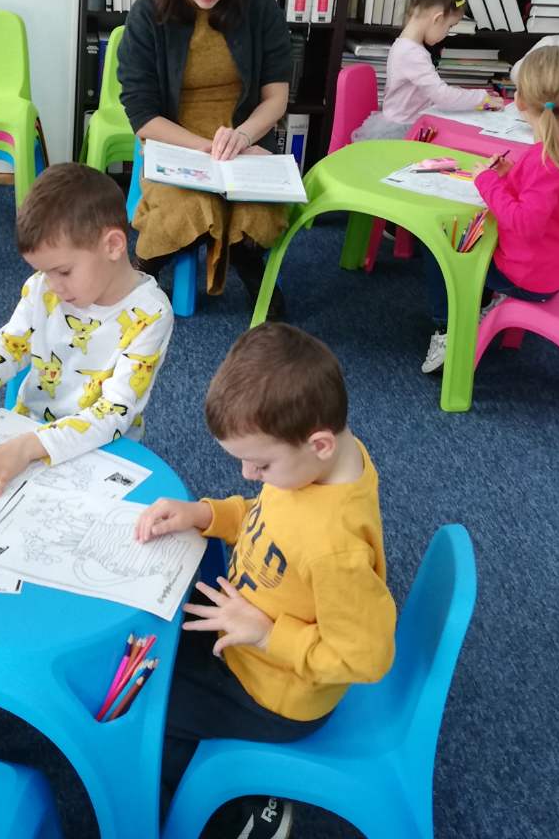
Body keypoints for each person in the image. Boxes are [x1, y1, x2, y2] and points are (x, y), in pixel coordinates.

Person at [134, 324, 395, 839]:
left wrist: (268, 634)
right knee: (147, 650)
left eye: (260, 463)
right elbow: (267, 517)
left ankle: (247, 816)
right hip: (246, 640)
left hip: (276, 694)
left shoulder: (334, 547)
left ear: (319, 444)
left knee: (148, 713)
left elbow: (366, 658)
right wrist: (206, 514)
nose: (249, 474)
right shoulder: (316, 466)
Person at [0, 163, 173, 496]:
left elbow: (113, 413)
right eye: (44, 272)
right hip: (25, 435)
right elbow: (11, 344)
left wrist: (26, 447)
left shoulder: (150, 313)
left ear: (112, 245)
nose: (52, 285)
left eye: (63, 272)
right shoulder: (43, 287)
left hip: (104, 450)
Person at [117, 0, 292, 316]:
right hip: (176, 143)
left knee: (255, 210)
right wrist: (207, 149)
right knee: (189, 207)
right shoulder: (148, 15)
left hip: (243, 138)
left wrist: (242, 137)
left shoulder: (259, 7)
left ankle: (249, 264)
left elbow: (276, 97)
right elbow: (143, 116)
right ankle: (142, 270)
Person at [421, 45, 559, 374]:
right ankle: (482, 303)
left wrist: (487, 182)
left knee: (438, 246)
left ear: (520, 101)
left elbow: (524, 222)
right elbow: (549, 201)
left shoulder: (545, 158)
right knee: (474, 236)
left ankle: (447, 330)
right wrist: (510, 176)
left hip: (527, 276)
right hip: (550, 264)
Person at [351, 0, 505, 141]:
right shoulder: (412, 54)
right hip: (402, 133)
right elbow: (442, 96)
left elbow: (428, 94)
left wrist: (466, 95)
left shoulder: (405, 45)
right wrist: (482, 98)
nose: (447, 33)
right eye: (449, 27)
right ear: (437, 19)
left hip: (404, 123)